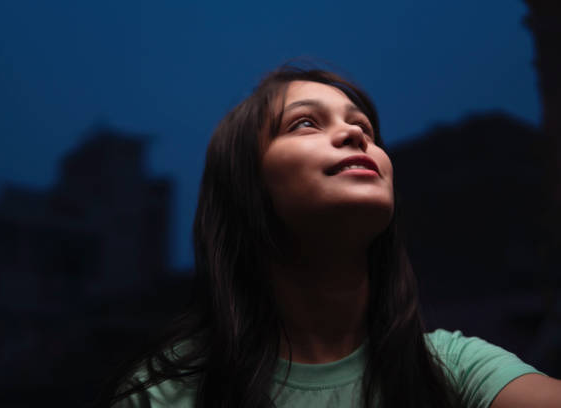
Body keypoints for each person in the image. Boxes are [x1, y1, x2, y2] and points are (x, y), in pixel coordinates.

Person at [103, 65, 561, 407]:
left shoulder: (451, 368)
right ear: (246, 186)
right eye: (305, 122)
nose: (353, 134)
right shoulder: (164, 393)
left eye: (363, 126)